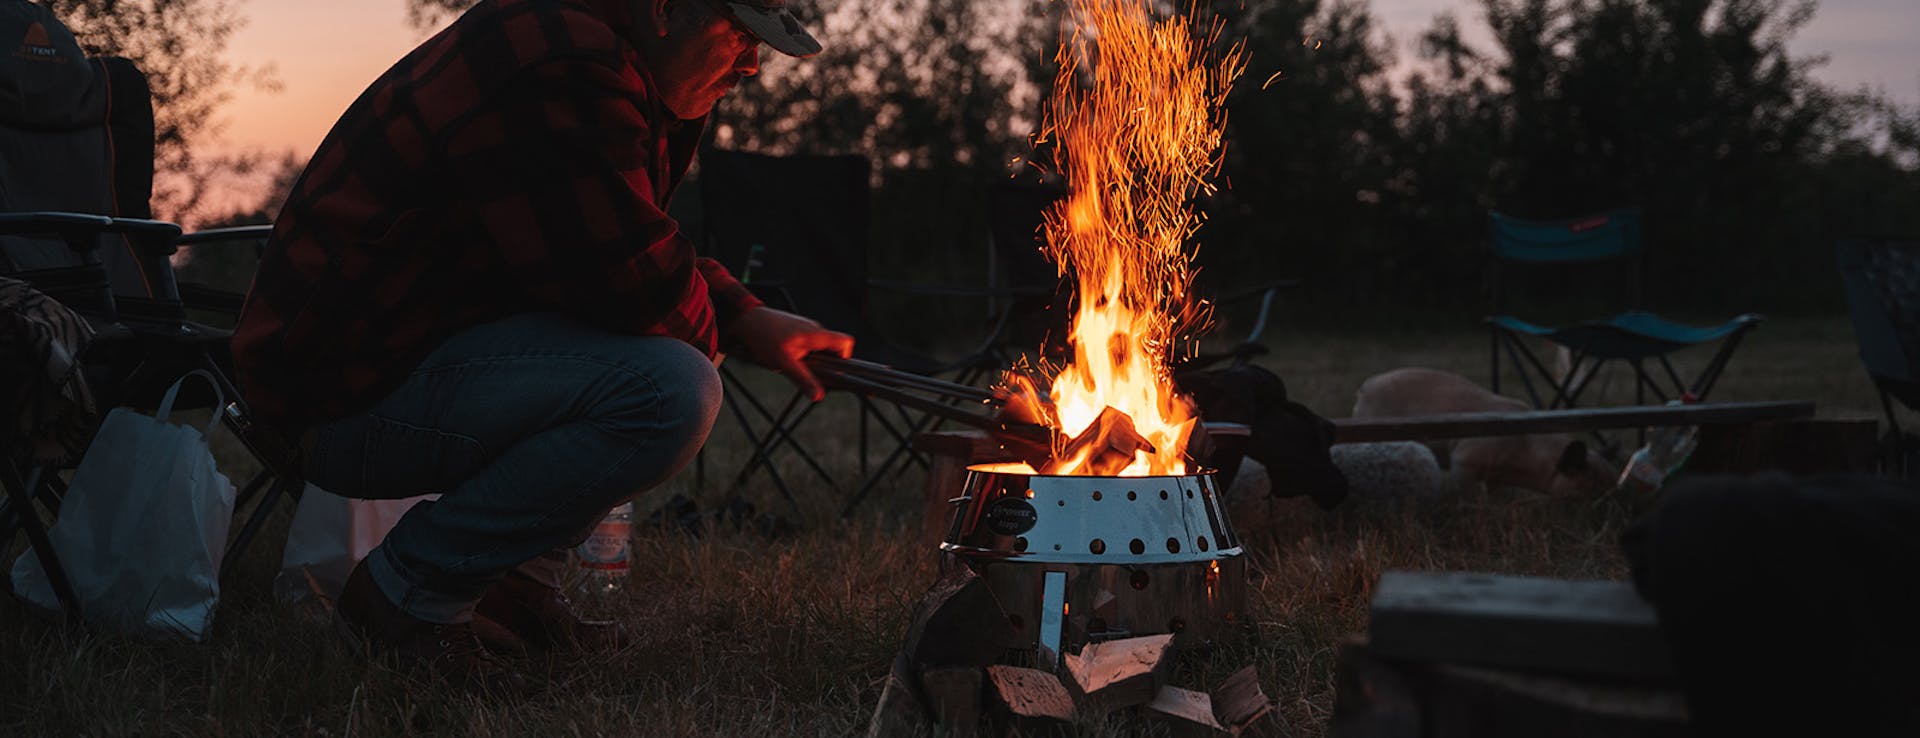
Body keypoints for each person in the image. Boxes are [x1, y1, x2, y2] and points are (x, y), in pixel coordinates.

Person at [230, 0, 851, 695]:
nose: (751, 63)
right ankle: (406, 597)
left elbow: (613, 239)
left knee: (662, 356)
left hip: (382, 365)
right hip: (334, 395)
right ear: (666, 9)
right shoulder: (564, 59)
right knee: (667, 389)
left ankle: (511, 590)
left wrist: (747, 316)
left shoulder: (594, 52)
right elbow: (635, 286)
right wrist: (719, 326)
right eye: (739, 35)